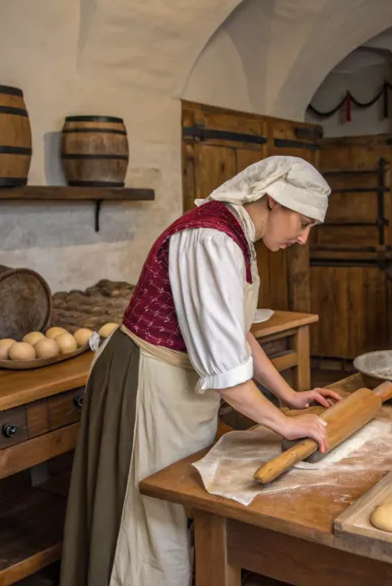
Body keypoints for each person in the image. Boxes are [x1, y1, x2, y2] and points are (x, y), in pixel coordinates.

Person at [60, 156, 340, 586]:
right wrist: (283, 424)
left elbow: (236, 334)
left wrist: (288, 394)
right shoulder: (210, 239)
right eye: (302, 223)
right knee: (148, 521)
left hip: (175, 389)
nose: (303, 238)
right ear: (272, 201)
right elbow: (228, 372)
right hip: (146, 384)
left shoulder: (239, 239)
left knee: (175, 513)